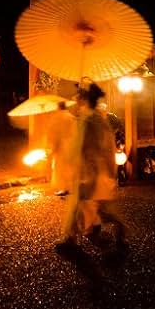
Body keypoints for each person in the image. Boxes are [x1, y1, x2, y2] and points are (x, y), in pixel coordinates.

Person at [57, 83, 128, 252]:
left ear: (85, 99)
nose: (76, 99)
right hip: (93, 171)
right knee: (86, 206)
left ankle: (71, 238)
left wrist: (71, 159)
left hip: (91, 172)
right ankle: (72, 237)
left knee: (93, 208)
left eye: (79, 96)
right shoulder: (95, 117)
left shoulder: (89, 119)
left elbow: (83, 146)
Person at [47, 100, 78, 196]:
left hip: (61, 146)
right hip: (71, 145)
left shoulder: (57, 118)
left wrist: (52, 148)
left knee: (60, 168)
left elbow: (54, 133)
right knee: (70, 168)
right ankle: (71, 187)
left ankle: (63, 188)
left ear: (59, 107)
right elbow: (75, 132)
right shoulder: (71, 117)